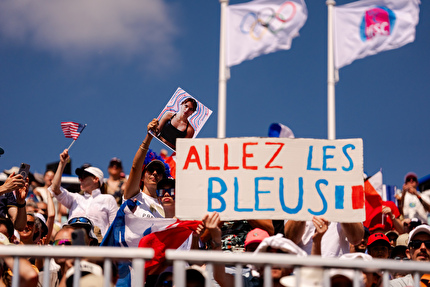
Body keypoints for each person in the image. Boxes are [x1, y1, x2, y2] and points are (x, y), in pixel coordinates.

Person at [50, 149, 118, 237]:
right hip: (72, 244)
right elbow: (55, 188)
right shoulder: (75, 198)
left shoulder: (108, 199)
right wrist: (62, 164)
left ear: (96, 179)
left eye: (83, 176)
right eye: (79, 177)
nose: (80, 179)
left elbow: (115, 227)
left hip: (97, 246)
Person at [123, 119, 169, 218]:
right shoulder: (134, 196)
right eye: (151, 170)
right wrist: (149, 136)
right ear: (142, 177)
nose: (155, 173)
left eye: (159, 171)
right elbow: (135, 167)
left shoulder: (167, 207)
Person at [284, 216, 364, 257]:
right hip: (303, 272)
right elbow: (291, 238)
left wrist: (340, 204)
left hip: (336, 275)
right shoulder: (297, 190)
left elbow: (356, 239)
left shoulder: (347, 191)